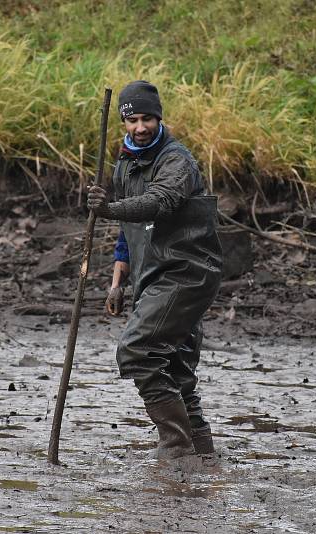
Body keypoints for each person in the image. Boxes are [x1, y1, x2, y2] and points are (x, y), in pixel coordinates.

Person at [87, 80, 223, 459]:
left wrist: (109, 208)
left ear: (159, 118)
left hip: (188, 272)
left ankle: (175, 451)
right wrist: (117, 283)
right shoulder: (125, 164)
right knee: (177, 371)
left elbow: (158, 201)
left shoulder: (177, 161)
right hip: (151, 274)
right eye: (133, 121)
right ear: (124, 123)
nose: (141, 127)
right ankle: (202, 462)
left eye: (148, 118)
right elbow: (126, 234)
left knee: (137, 352)